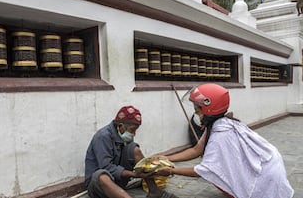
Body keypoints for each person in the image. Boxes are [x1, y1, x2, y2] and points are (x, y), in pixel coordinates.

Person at [156, 83, 294, 198]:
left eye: (197, 110)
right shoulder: (220, 123)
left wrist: (171, 171)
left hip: (266, 173)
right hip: (268, 161)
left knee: (227, 179)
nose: (196, 114)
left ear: (209, 108)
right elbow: (196, 150)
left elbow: (204, 171)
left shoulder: (221, 135)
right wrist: (166, 157)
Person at [85, 105, 178, 198]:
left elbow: (130, 156)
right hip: (99, 185)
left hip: (117, 180)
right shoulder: (103, 136)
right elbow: (106, 166)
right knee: (101, 175)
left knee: (134, 149)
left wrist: (148, 169)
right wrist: (134, 174)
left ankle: (154, 191)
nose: (134, 134)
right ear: (120, 126)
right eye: (132, 130)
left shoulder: (122, 135)